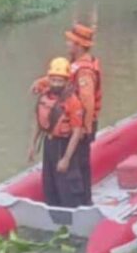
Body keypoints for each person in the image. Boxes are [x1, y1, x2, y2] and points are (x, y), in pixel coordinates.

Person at [31, 23, 102, 205]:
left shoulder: (85, 71)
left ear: (79, 45)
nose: (67, 44)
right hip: (71, 121)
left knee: (76, 170)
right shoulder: (75, 64)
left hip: (77, 124)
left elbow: (87, 101)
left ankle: (81, 204)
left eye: (70, 41)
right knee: (76, 168)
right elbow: (62, 77)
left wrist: (83, 129)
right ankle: (79, 202)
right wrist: (42, 82)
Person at [29, 57, 88, 207]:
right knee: (49, 183)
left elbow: (76, 132)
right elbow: (39, 121)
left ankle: (73, 215)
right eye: (53, 80)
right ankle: (52, 210)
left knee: (67, 186)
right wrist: (32, 145)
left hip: (64, 145)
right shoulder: (45, 95)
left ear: (67, 81)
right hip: (49, 144)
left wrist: (66, 158)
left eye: (60, 81)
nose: (56, 84)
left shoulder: (72, 101)